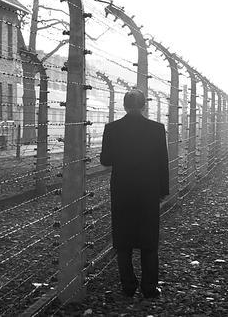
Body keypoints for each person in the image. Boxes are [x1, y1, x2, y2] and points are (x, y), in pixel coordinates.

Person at [100, 89, 169, 299]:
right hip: (148, 190)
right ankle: (149, 287)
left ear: (124, 105)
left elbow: (106, 160)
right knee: (149, 241)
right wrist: (163, 190)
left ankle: (128, 286)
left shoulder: (112, 129)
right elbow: (162, 163)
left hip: (122, 190)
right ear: (144, 105)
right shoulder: (157, 129)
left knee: (123, 240)